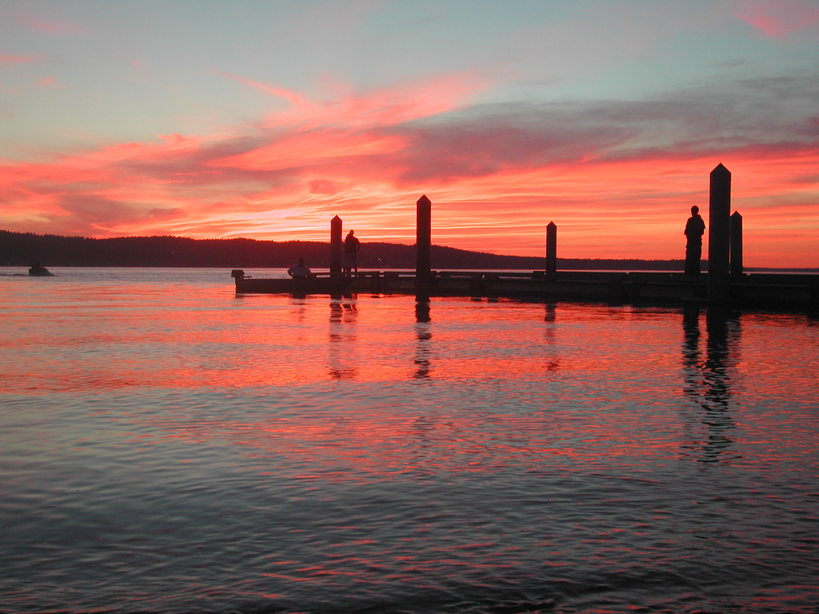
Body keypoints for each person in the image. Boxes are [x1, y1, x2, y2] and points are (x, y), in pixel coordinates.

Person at [684, 205, 706, 275]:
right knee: (696, 258)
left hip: (692, 243)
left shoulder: (690, 220)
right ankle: (696, 272)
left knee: (690, 258)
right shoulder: (700, 221)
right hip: (697, 243)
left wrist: (690, 234)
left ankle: (689, 273)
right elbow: (702, 232)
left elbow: (686, 232)